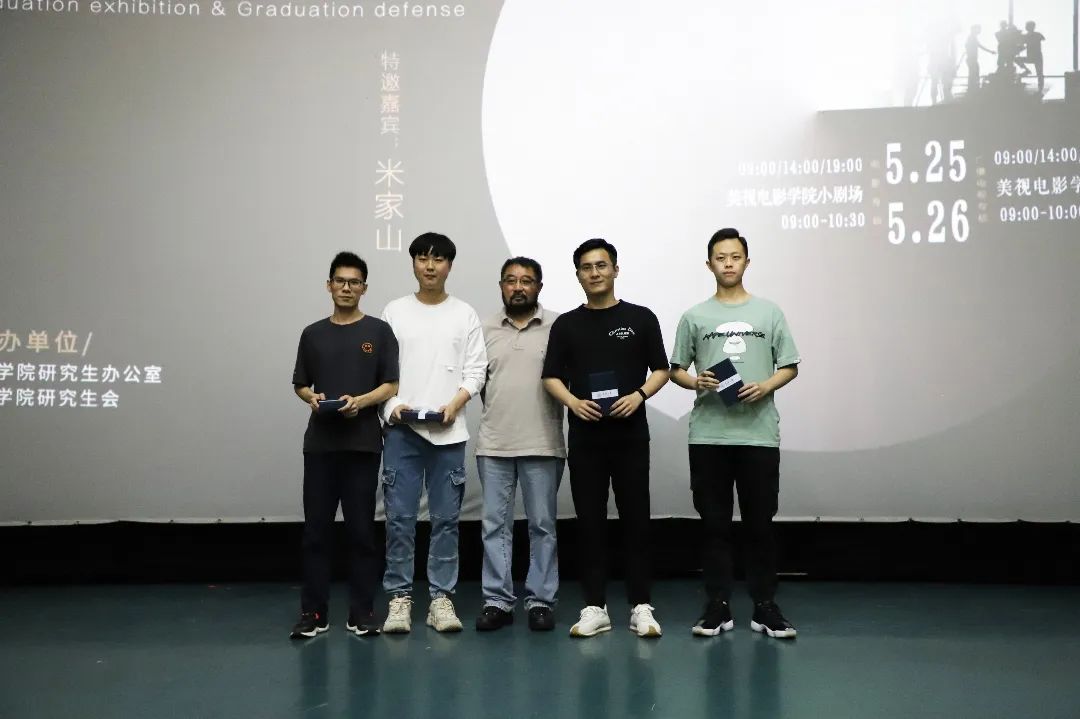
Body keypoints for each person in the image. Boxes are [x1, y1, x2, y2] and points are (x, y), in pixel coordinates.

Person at [669, 228, 801, 639]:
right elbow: (676, 370)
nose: (728, 263)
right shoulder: (695, 316)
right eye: (720, 257)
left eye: (735, 256)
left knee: (760, 524)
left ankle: (764, 606)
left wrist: (765, 386)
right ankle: (718, 605)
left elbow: (790, 365)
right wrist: (697, 382)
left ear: (746, 261)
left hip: (758, 435)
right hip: (709, 436)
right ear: (709, 264)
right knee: (714, 525)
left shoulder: (769, 313)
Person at [541, 238, 670, 638]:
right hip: (586, 438)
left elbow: (662, 369)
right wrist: (572, 402)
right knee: (590, 523)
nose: (594, 273)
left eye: (601, 265)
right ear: (578, 275)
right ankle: (595, 606)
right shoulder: (566, 324)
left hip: (630, 437)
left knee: (636, 520)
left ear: (615, 270)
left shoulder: (641, 318)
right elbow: (550, 377)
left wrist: (639, 395)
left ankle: (640, 605)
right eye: (586, 267)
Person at [379, 232, 487, 633]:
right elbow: (381, 372)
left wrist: (454, 405)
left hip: (448, 433)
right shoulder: (394, 311)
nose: (430, 266)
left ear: (449, 266)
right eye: (422, 258)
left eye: (438, 259)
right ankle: (399, 598)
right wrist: (392, 408)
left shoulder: (464, 313)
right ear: (412, 263)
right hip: (402, 433)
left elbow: (476, 370)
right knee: (400, 520)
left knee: (446, 521)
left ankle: (441, 599)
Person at [290, 251, 400, 639]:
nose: (347, 288)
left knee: (361, 533)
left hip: (362, 446)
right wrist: (312, 397)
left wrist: (361, 402)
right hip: (320, 445)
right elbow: (301, 384)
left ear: (364, 288)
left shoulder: (379, 332)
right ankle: (313, 614)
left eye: (354, 282)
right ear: (329, 285)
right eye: (340, 281)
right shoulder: (312, 333)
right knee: (316, 533)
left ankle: (361, 612)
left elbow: (391, 385)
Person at [474, 257, 566, 632]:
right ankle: (497, 601)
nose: (518, 287)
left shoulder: (559, 326)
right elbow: (477, 384)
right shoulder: (483, 329)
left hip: (543, 441)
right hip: (494, 443)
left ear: (539, 287)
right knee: (495, 526)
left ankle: (541, 600)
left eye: (526, 281)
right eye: (511, 280)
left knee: (542, 526)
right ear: (501, 286)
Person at [1018, 21, 1046, 93]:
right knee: (1040, 73)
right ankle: (1040, 89)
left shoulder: (1027, 36)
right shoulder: (1036, 35)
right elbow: (1043, 38)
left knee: (1039, 73)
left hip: (1033, 57)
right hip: (1036, 57)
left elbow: (1022, 45)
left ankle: (1027, 70)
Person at [964, 25, 995, 91]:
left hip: (971, 59)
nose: (979, 31)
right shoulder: (972, 38)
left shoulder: (971, 38)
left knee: (973, 73)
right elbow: (980, 46)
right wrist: (990, 51)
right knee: (974, 73)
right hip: (972, 59)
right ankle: (973, 88)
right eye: (978, 29)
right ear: (974, 30)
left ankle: (972, 88)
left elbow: (968, 47)